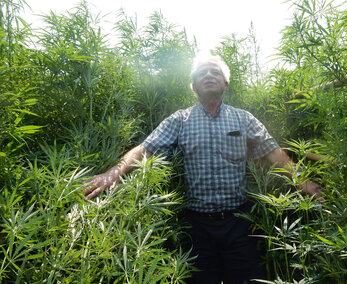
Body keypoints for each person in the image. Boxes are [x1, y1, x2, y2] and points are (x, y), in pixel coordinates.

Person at [83, 54, 324, 283]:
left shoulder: (243, 119)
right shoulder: (180, 120)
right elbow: (146, 148)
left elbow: (273, 152)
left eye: (215, 71)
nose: (209, 75)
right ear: (194, 87)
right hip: (197, 226)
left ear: (226, 83)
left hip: (239, 222)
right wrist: (114, 172)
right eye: (202, 73)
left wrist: (302, 181)